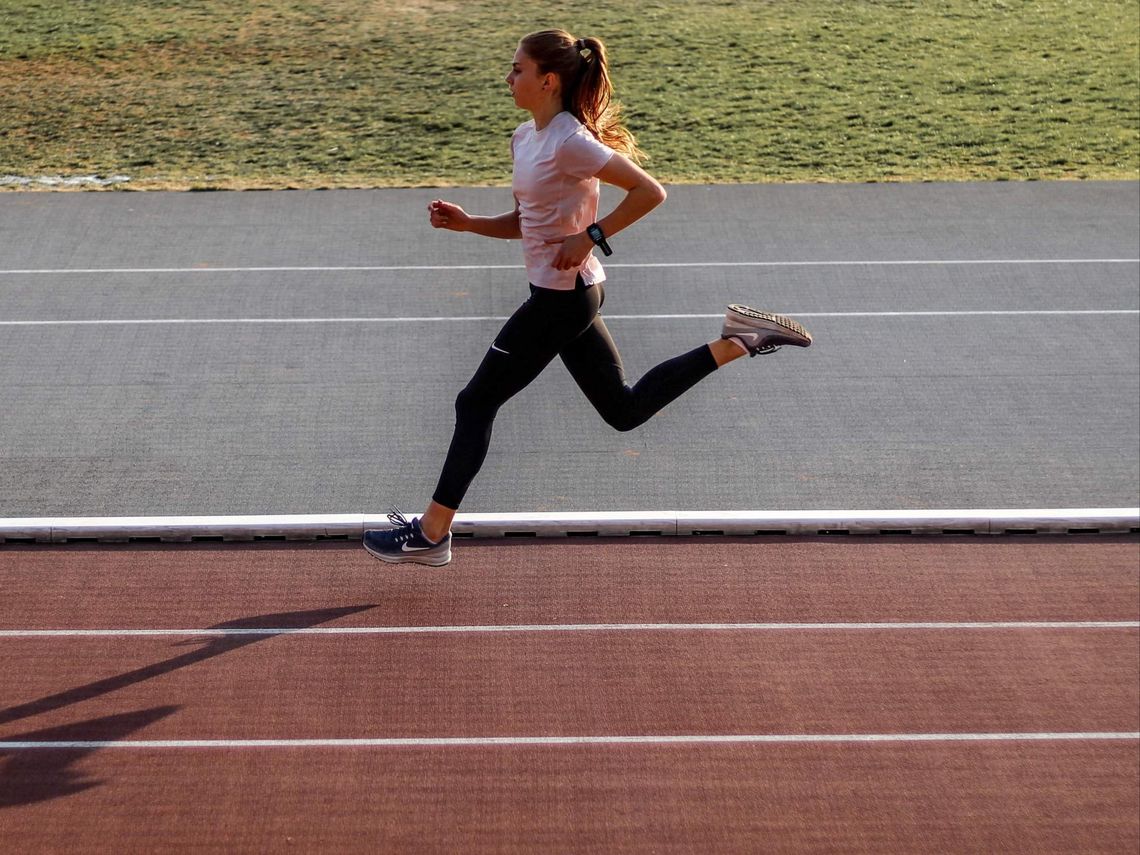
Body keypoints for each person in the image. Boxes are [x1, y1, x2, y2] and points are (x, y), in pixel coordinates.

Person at [364, 29, 812, 566]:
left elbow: (650, 191)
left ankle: (432, 533)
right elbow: (528, 224)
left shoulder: (572, 142)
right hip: (569, 294)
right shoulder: (525, 138)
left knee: (475, 401)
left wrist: (592, 236)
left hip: (562, 300)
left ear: (547, 80)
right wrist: (469, 225)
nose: (508, 78)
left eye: (517, 69)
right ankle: (739, 340)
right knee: (623, 410)